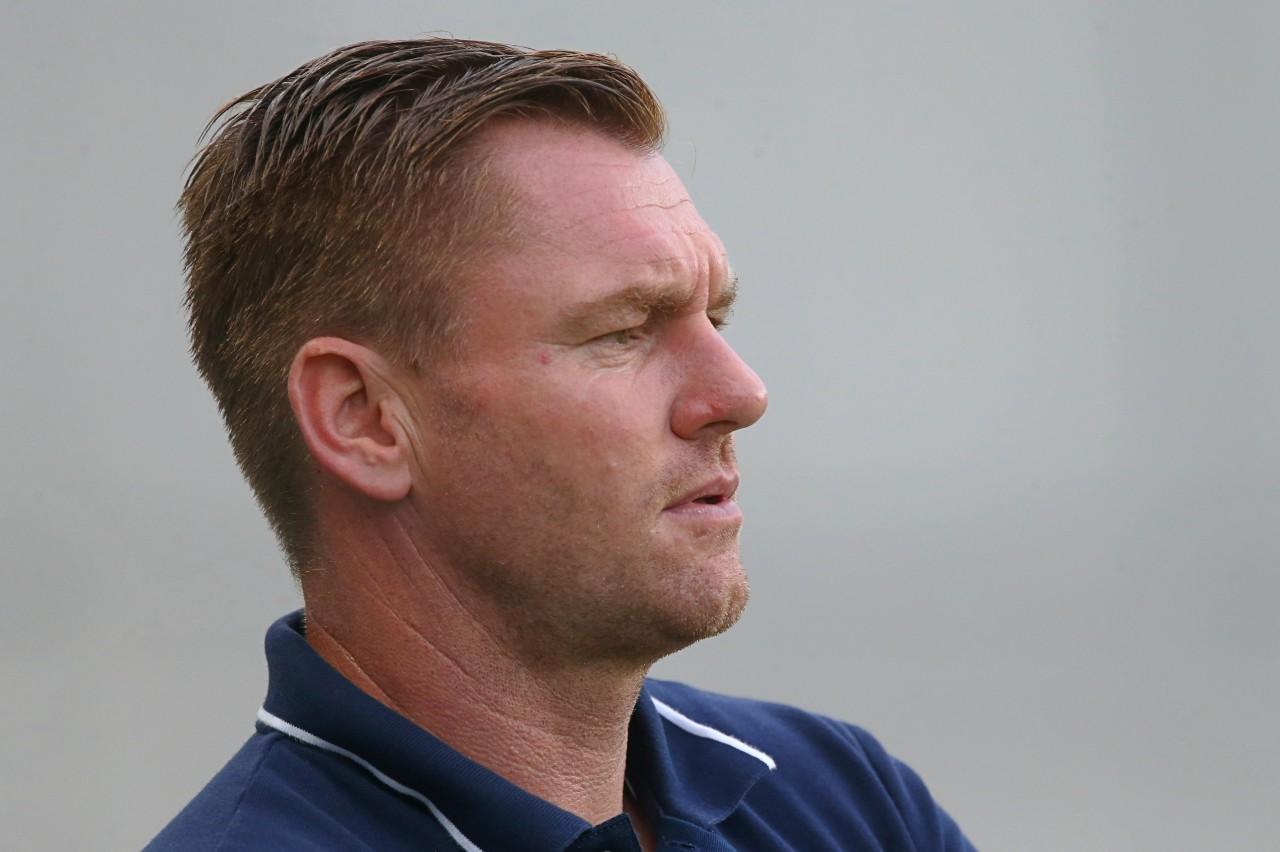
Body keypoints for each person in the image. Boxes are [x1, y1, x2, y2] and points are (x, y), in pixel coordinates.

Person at [147, 37, 976, 852]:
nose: (740, 395)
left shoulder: (841, 801)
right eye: (624, 331)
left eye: (714, 318)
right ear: (365, 419)